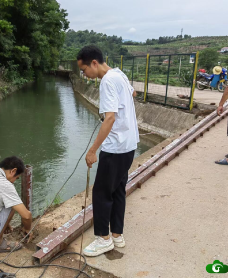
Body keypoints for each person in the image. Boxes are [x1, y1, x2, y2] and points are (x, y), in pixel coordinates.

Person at [77, 45, 139, 256]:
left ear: (94, 63)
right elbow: (134, 92)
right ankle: (117, 236)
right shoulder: (118, 74)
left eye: (84, 70)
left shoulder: (107, 81)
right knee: (118, 190)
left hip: (115, 148)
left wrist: (93, 150)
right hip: (129, 145)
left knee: (102, 193)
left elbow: (110, 117)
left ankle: (103, 239)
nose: (84, 75)